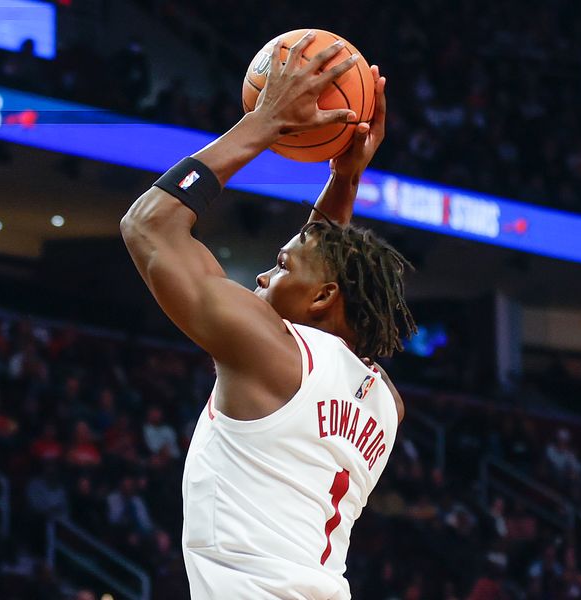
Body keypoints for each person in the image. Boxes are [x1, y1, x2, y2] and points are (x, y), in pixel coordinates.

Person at [120, 32, 415, 599]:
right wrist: (343, 177)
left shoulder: (272, 352)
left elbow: (148, 226)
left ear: (325, 298)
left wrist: (262, 123)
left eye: (277, 266)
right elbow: (324, 274)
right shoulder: (384, 400)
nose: (260, 277)